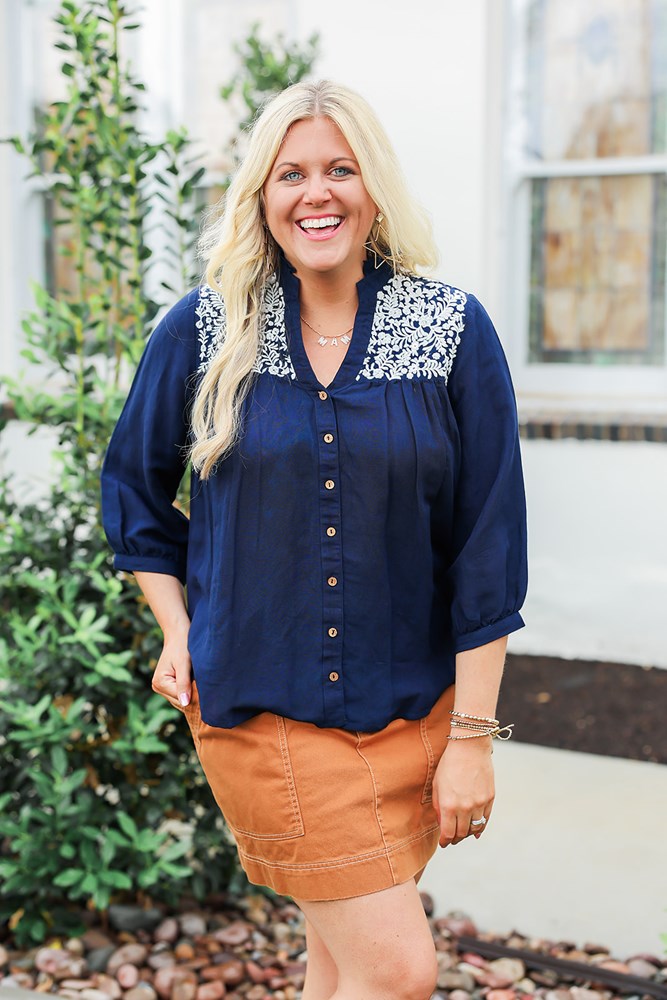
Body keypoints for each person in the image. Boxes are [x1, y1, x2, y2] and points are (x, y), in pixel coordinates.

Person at [101, 79, 527, 1000]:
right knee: (399, 972)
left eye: (341, 168)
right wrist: (177, 630)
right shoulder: (206, 328)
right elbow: (133, 492)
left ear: (374, 188)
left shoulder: (450, 332)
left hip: (413, 716)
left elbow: (487, 544)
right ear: (262, 195)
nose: (316, 192)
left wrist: (472, 739)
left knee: (336, 970)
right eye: (290, 173)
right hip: (264, 713)